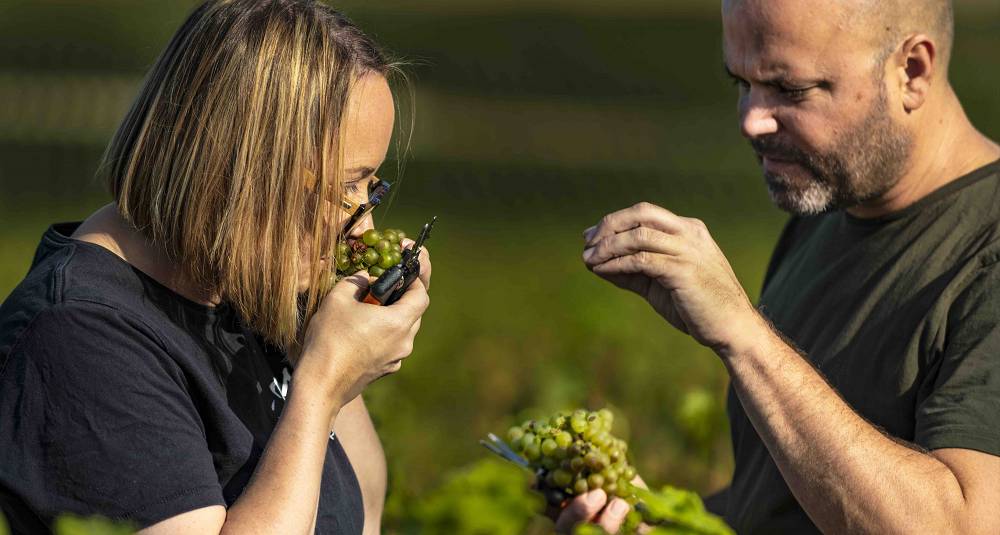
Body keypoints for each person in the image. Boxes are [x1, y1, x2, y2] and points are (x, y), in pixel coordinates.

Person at [561, 0, 1000, 533]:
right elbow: (780, 504)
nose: (751, 120)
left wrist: (745, 337)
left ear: (911, 71)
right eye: (741, 83)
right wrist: (664, 522)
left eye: (791, 90)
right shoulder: (828, 213)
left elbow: (963, 525)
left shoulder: (985, 252)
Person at [0, 1, 431, 534]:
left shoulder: (236, 283)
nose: (364, 229)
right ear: (243, 172)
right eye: (346, 186)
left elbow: (358, 514)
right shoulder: (83, 341)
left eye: (371, 187)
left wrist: (329, 355)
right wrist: (318, 389)